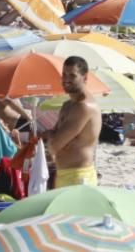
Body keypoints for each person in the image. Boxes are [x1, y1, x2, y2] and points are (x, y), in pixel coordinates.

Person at [45, 56, 101, 188]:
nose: (66, 79)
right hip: (63, 174)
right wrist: (54, 138)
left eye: (72, 75)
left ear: (85, 77)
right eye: (64, 74)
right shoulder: (67, 105)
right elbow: (55, 141)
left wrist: (52, 137)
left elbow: (54, 145)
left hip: (80, 176)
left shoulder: (84, 106)